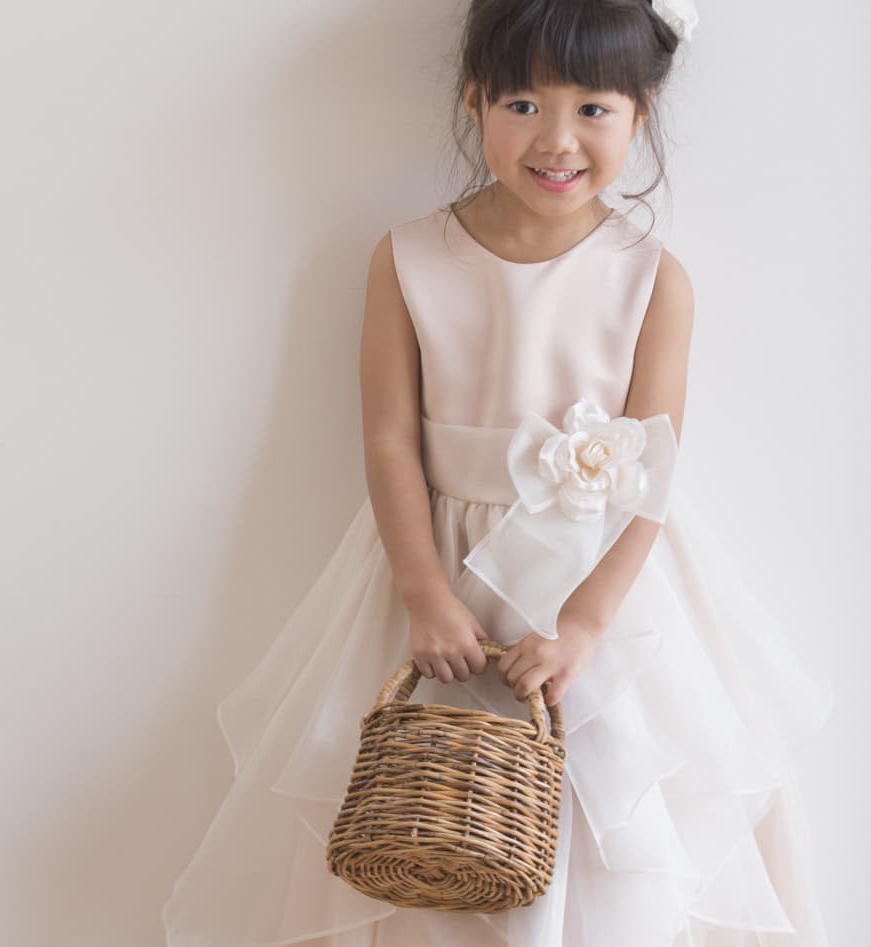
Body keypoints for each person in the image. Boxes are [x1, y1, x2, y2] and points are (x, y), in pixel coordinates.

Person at [161, 0, 835, 944]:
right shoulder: (407, 257)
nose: (556, 139)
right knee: (422, 817)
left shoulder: (653, 277)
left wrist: (584, 624)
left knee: (605, 818)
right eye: (522, 104)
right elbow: (389, 438)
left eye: (592, 108)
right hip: (437, 570)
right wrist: (422, 594)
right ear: (473, 101)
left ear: (639, 112)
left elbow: (651, 472)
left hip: (597, 583)